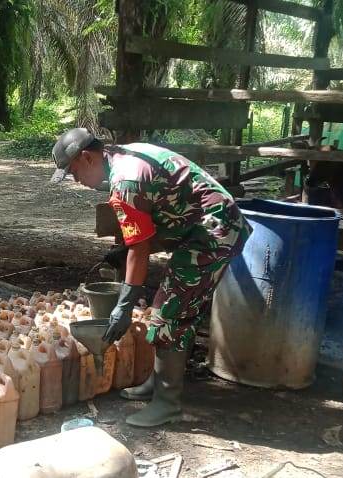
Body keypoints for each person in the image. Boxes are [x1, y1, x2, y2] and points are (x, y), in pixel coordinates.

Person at [50, 128, 246, 427]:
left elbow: (140, 248)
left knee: (168, 313)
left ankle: (167, 403)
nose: (77, 181)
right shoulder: (124, 155)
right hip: (201, 226)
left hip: (213, 234)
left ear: (87, 157)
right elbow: (156, 216)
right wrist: (126, 251)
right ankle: (157, 382)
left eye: (74, 172)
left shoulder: (125, 182)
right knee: (174, 309)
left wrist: (124, 306)